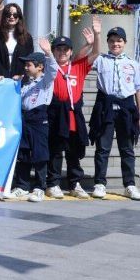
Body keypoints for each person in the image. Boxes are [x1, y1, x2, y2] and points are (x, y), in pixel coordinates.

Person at [46, 19, 100, 200]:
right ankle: (53, 184)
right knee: (55, 151)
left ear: (70, 52)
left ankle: (74, 183)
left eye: (65, 49)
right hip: (55, 115)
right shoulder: (49, 67)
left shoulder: (77, 67)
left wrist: (97, 35)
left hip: (73, 116)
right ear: (53, 51)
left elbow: (96, 53)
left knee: (73, 151)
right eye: (58, 49)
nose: (62, 52)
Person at [89, 26, 140, 200]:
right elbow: (92, 54)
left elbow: (137, 89)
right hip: (106, 106)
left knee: (127, 148)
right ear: (107, 43)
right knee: (103, 147)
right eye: (111, 41)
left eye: (119, 41)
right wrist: (96, 35)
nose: (115, 44)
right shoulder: (101, 60)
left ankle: (130, 185)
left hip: (126, 107)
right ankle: (100, 183)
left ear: (125, 42)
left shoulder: (133, 64)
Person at [8, 38, 57, 203]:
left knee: (40, 154)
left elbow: (53, 70)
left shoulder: (45, 81)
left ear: (40, 66)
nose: (25, 67)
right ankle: (22, 186)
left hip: (39, 118)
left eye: (29, 65)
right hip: (25, 118)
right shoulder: (25, 83)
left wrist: (48, 53)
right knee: (24, 153)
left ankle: (39, 187)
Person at [0, 3, 33, 79]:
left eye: (15, 15)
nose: (12, 17)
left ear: (19, 17)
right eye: (8, 14)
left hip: (20, 78)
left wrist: (21, 74)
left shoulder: (27, 37)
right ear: (4, 16)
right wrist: (0, 72)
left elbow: (29, 58)